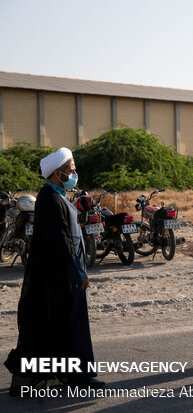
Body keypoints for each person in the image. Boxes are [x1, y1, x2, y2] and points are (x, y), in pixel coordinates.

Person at [4, 147, 103, 395]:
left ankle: (74, 375)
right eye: (71, 170)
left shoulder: (56, 196)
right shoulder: (50, 199)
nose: (74, 173)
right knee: (71, 325)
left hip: (66, 273)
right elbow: (61, 241)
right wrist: (78, 275)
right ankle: (79, 378)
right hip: (63, 277)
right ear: (58, 173)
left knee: (67, 326)